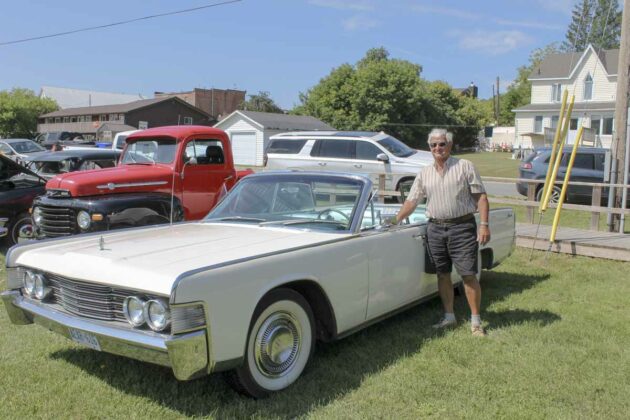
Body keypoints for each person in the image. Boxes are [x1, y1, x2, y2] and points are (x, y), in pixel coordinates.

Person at [393, 128, 490, 337]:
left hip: (462, 227)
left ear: (450, 145)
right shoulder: (424, 173)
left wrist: (483, 224)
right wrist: (395, 219)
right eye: (433, 145)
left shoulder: (465, 167)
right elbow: (412, 200)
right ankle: (449, 317)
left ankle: (475, 322)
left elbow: (481, 197)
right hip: (435, 228)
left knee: (468, 274)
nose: (438, 148)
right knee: (442, 274)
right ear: (429, 148)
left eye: (442, 144)